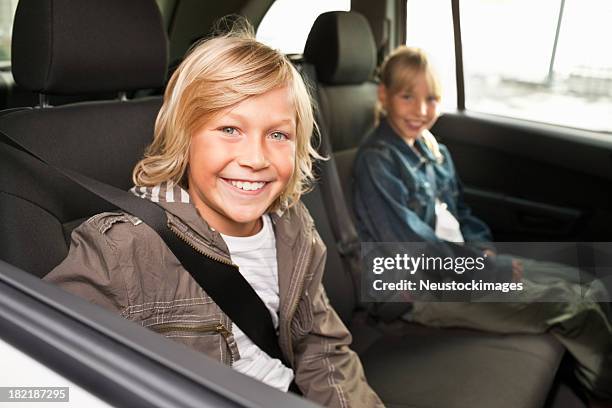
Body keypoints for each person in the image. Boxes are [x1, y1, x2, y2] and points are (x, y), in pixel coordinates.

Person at [44, 25, 384, 408]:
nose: (255, 159)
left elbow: (321, 348)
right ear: (184, 138)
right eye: (229, 129)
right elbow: (43, 372)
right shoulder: (125, 248)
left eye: (278, 135)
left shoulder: (293, 229)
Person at [353, 46, 612, 402]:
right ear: (384, 96)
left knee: (587, 283)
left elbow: (462, 214)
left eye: (432, 98)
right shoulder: (377, 162)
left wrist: (484, 249)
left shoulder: (434, 150)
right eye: (407, 96)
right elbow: (412, 248)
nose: (421, 110)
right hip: (418, 289)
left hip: (462, 267)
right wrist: (493, 268)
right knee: (576, 308)